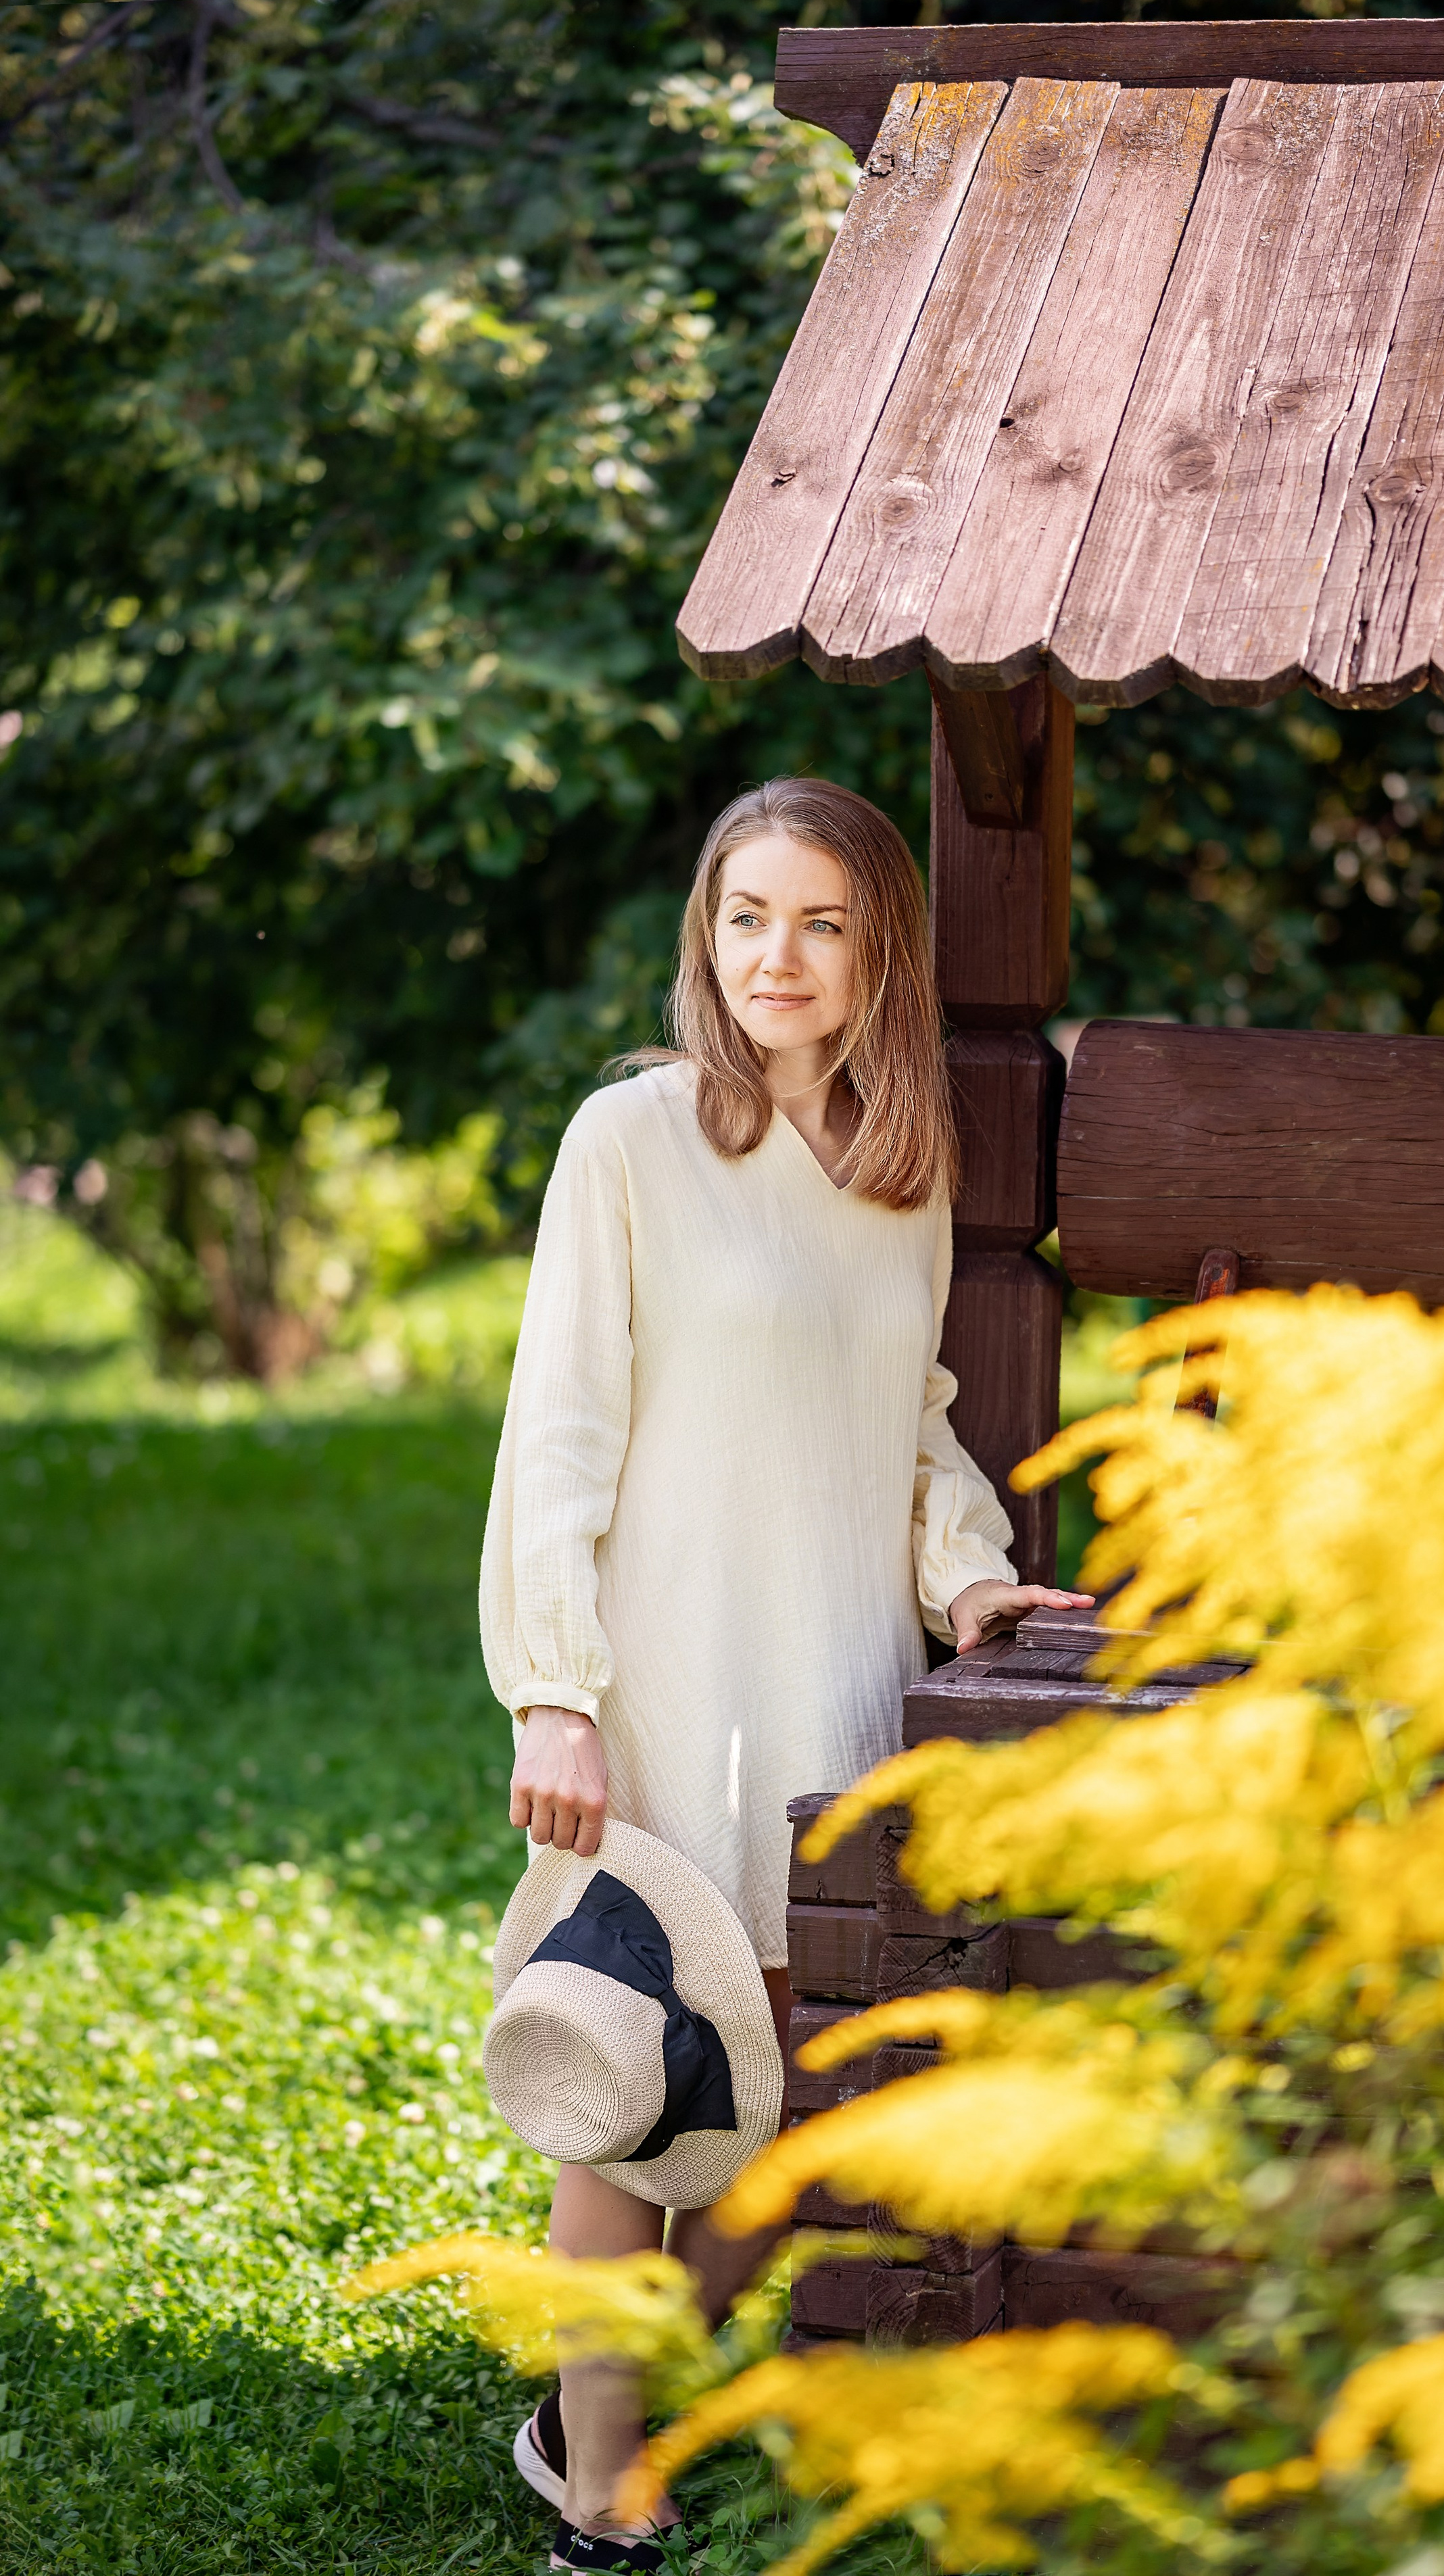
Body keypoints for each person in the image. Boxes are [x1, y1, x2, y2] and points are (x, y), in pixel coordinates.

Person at [480, 775, 1090, 2571]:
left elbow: (915, 1436)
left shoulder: (901, 1175)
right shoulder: (633, 1143)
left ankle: (607, 2395)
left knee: (789, 2104)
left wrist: (973, 1582)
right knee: (635, 2084)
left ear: (879, 951)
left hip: (828, 1689)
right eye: (747, 917)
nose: (778, 956)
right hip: (660, 1693)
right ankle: (603, 2489)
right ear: (706, 939)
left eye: (821, 922)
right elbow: (560, 1432)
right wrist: (557, 1690)